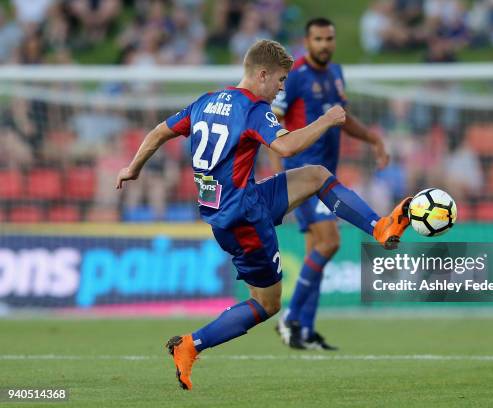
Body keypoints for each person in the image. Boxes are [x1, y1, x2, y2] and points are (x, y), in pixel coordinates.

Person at [116, 39, 411, 391]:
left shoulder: (206, 101)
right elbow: (285, 146)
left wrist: (133, 168)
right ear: (262, 74)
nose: (281, 88)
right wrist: (327, 120)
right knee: (267, 304)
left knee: (316, 174)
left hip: (236, 204)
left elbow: (159, 131)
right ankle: (190, 344)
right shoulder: (253, 108)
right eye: (280, 80)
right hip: (244, 219)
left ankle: (379, 226)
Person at [271, 18, 390, 350]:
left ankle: (305, 330)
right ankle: (290, 317)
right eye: (318, 39)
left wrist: (373, 139)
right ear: (307, 41)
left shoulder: (336, 73)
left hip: (325, 177)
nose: (325, 44)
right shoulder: (294, 76)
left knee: (317, 249)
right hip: (301, 173)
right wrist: (276, 176)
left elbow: (343, 118)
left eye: (329, 38)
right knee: (330, 242)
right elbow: (273, 126)